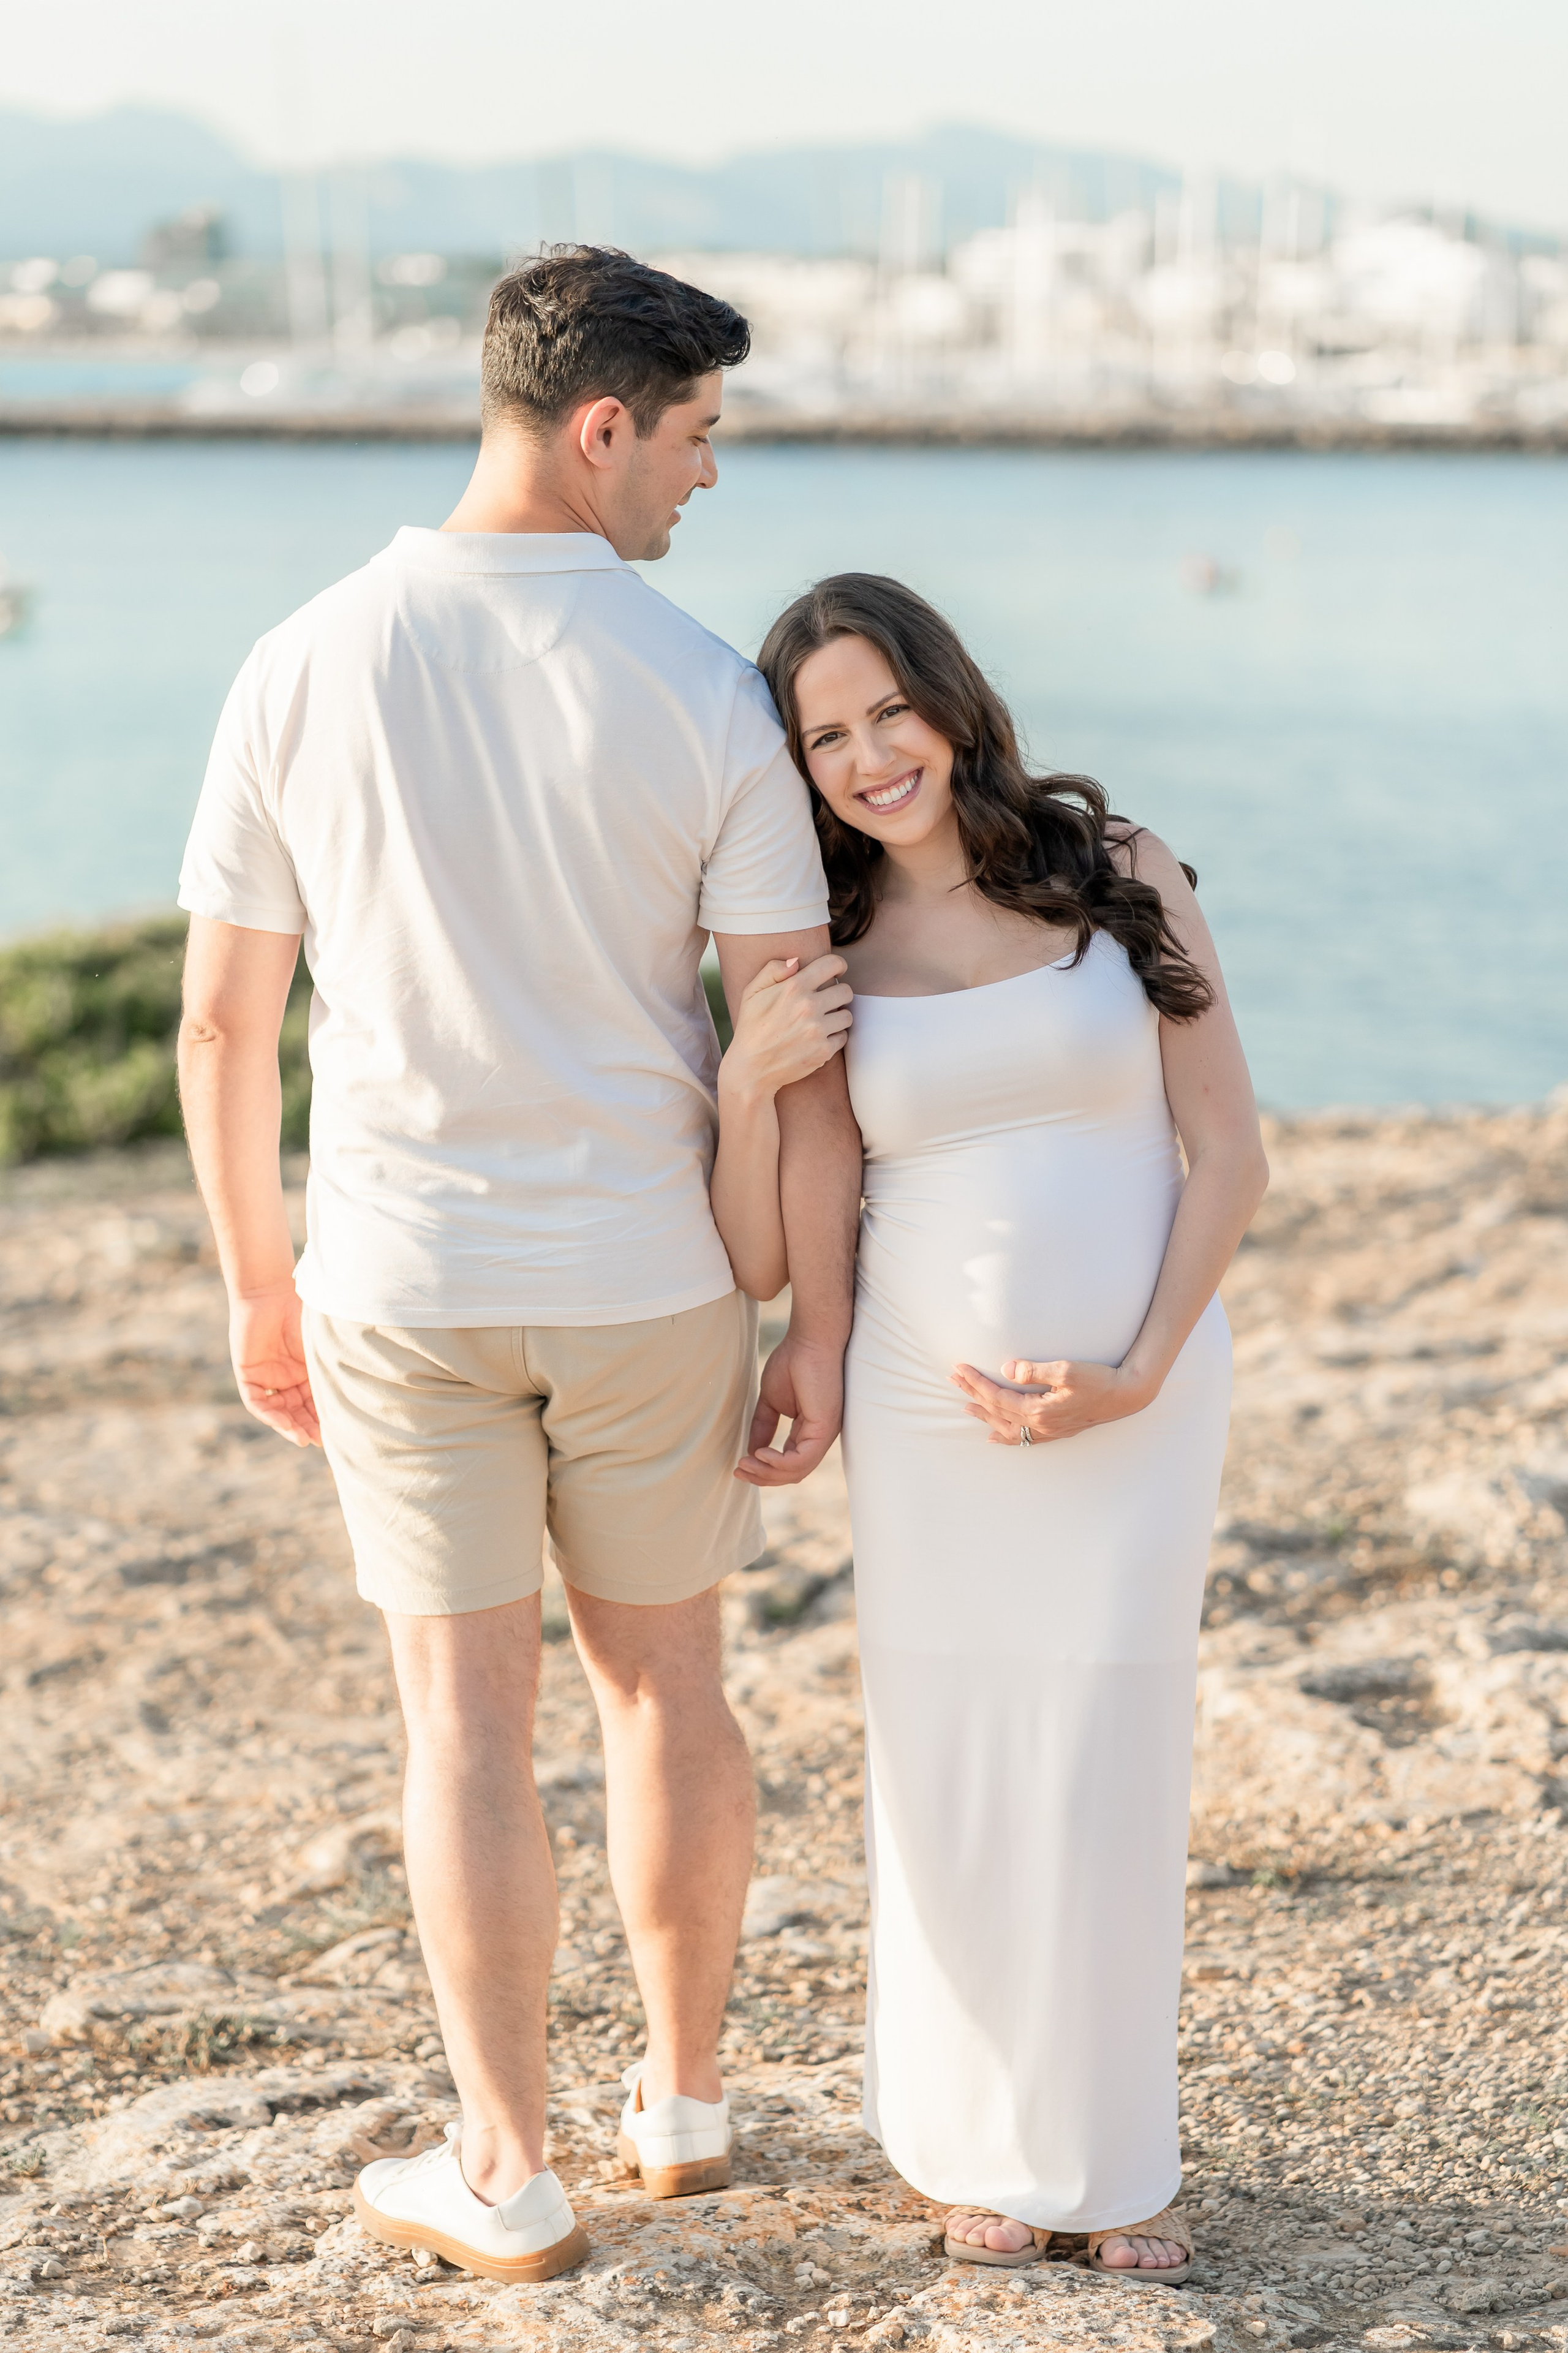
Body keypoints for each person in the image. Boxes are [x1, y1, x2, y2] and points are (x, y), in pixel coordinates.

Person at [175, 248, 861, 2286]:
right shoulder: (707, 691)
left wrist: (252, 1277)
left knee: (463, 1720)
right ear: (600, 426)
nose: (705, 481)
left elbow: (225, 1026)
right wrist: (813, 1314)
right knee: (669, 1687)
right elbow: (786, 1032)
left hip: (401, 1277)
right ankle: (686, 2100)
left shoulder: (300, 659)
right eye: (697, 436)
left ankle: (506, 2162)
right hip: (650, 1276)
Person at [713, 574, 1268, 2281]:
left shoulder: (1122, 876)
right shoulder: (826, 959)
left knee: (1106, 1759)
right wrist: (749, 1079)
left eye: (890, 710)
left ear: (952, 701)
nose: (870, 754)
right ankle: (975, 2144)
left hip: (1134, 1411)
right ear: (799, 769)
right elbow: (774, 1233)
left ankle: (1113, 2159)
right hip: (925, 1424)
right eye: (826, 735)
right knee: (951, 1766)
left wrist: (1145, 1363)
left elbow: (1229, 1149)